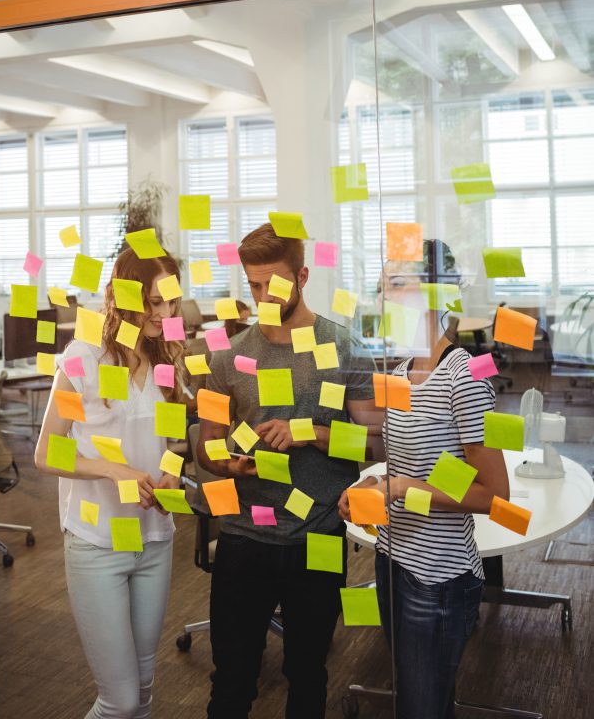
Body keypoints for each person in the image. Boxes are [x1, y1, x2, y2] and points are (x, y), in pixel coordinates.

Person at [197, 222, 374, 719]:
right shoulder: (227, 356)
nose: (263, 297)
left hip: (318, 533)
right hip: (243, 536)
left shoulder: (344, 347)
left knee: (308, 674)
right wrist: (226, 462)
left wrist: (311, 433)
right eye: (253, 286)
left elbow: (375, 443)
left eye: (273, 284)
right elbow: (206, 444)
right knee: (231, 681)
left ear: (302, 276)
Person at [339, 239, 509, 719]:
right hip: (392, 560)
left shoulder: (465, 375)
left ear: (436, 292)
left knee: (422, 707)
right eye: (381, 286)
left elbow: (494, 495)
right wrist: (371, 487)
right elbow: (402, 464)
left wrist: (401, 489)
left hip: (439, 578)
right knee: (419, 701)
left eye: (396, 283)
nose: (383, 297)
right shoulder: (400, 372)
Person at [35, 247, 189, 719]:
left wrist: (171, 470)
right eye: (154, 303)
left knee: (142, 692)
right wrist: (114, 469)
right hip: (97, 543)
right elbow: (46, 452)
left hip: (154, 539)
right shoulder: (84, 356)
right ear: (125, 297)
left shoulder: (166, 354)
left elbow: (174, 441)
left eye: (171, 302)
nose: (164, 313)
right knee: (119, 701)